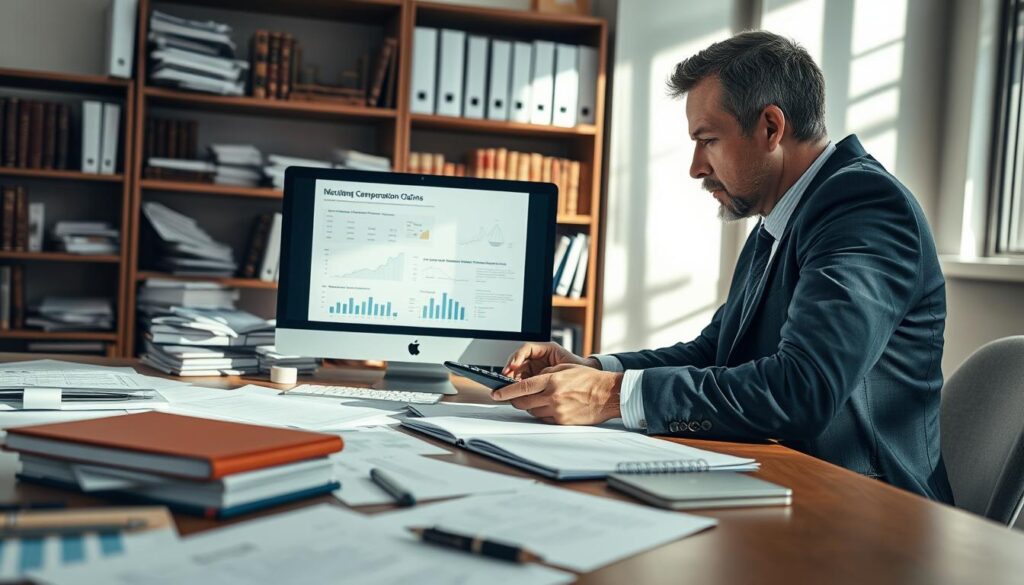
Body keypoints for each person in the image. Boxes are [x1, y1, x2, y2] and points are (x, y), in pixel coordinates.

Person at [494, 30, 953, 502]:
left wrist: (607, 395)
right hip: (783, 480)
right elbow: (718, 351)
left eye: (707, 140)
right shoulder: (781, 217)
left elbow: (803, 390)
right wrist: (590, 368)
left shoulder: (864, 207)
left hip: (869, 510)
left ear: (771, 128)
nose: (696, 167)